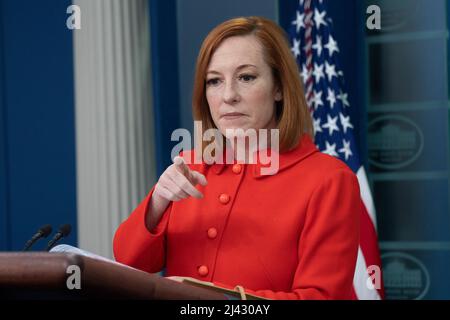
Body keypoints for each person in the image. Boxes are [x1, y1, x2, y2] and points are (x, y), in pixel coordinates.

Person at [113, 16, 361, 300]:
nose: (228, 95)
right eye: (214, 81)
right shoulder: (189, 164)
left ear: (279, 87)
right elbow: (128, 261)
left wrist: (218, 300)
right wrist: (158, 201)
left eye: (246, 77)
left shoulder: (329, 179)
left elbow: (322, 297)